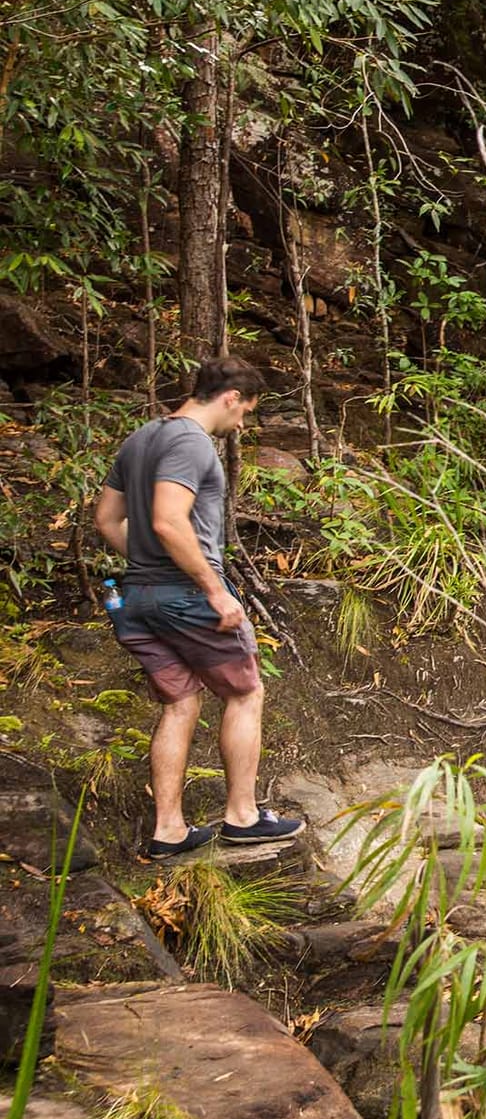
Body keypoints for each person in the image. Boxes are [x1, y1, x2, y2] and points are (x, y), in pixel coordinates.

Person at [93, 356, 306, 859]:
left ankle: (168, 830)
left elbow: (106, 519)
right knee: (245, 693)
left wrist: (148, 568)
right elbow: (169, 521)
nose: (241, 424)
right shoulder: (190, 442)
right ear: (232, 397)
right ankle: (242, 817)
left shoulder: (141, 437)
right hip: (187, 597)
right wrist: (212, 588)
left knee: (180, 702)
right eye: (245, 412)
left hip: (138, 597)